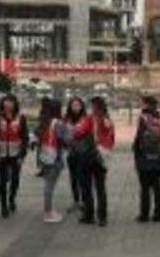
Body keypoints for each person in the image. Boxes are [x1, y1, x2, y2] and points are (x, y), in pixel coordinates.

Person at [73, 96, 115, 226]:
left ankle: (89, 215)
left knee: (86, 186)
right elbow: (112, 139)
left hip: (88, 156)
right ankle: (102, 217)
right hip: (102, 156)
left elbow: (77, 132)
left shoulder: (90, 119)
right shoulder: (108, 119)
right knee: (100, 187)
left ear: (94, 106)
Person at [0, 94, 30, 218]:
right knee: (2, 180)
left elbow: (25, 137)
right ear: (3, 103)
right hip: (1, 153)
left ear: (15, 104)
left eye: (11, 102)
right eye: (6, 101)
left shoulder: (21, 117)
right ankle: (3, 206)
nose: (8, 104)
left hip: (16, 153)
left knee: (15, 179)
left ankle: (12, 199)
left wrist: (22, 155)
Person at [133, 95, 160, 223]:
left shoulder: (143, 118)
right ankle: (158, 214)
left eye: (142, 104)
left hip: (144, 156)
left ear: (146, 105)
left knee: (145, 187)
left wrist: (135, 152)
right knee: (157, 186)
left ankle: (144, 214)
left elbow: (139, 138)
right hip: (159, 156)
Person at [37, 98, 67, 223]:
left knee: (47, 184)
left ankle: (48, 210)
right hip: (55, 157)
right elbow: (63, 140)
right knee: (50, 186)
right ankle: (48, 213)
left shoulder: (44, 121)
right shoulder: (58, 123)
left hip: (44, 155)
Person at [64, 96, 87, 213]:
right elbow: (63, 135)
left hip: (83, 153)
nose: (76, 107)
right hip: (71, 153)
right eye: (73, 105)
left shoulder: (86, 119)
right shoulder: (66, 119)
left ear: (82, 106)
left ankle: (84, 201)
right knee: (73, 178)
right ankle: (76, 201)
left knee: (82, 178)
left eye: (78, 105)